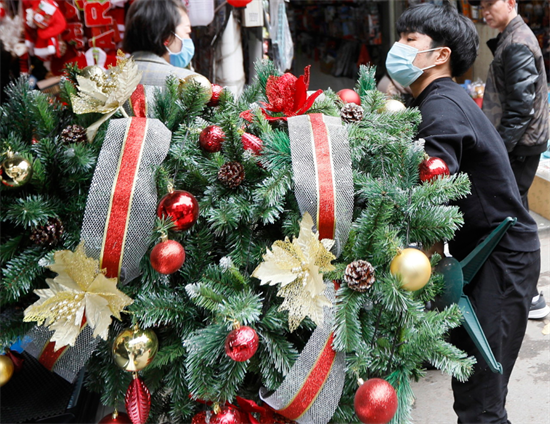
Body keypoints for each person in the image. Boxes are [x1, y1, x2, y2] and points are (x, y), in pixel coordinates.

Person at [386, 4, 541, 423]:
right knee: (472, 391)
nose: (397, 47)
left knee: (481, 403)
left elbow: (431, 197)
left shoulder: (441, 109)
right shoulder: (438, 100)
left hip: (502, 259)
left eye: (409, 41)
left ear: (441, 55)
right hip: (483, 255)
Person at [470, 0, 550, 320]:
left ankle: (530, 293)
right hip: (521, 143)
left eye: (492, 3)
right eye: (482, 5)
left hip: (521, 145)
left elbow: (520, 109)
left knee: (515, 216)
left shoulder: (517, 42)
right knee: (517, 210)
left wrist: (498, 150)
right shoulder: (510, 36)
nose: (485, 11)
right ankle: (524, 288)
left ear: (511, 3)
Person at [123, 0, 201, 86]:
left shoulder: (108, 78)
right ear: (166, 36)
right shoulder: (188, 82)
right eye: (187, 32)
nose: (189, 39)